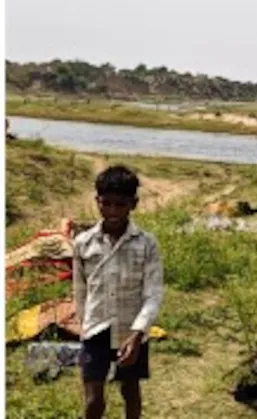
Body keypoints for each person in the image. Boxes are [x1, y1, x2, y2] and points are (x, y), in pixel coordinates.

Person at [73, 165, 165, 419]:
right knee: (93, 402)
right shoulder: (83, 244)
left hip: (131, 330)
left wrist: (137, 334)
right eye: (106, 204)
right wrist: (84, 327)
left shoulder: (147, 244)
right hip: (95, 329)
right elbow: (80, 291)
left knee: (130, 392)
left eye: (120, 205)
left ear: (133, 204)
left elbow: (153, 294)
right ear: (97, 202)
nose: (112, 211)